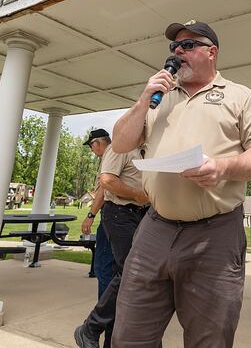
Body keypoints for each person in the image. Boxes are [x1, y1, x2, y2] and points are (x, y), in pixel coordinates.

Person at [109, 19, 251, 348]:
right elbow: (120, 143)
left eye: (187, 45)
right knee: (129, 335)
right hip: (154, 228)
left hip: (214, 234)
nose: (177, 52)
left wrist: (223, 168)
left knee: (208, 338)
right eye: (173, 47)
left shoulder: (240, 96)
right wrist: (144, 99)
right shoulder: (159, 97)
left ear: (211, 52)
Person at [74, 136, 149, 348]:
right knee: (127, 271)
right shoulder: (121, 147)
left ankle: (110, 337)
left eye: (91, 145)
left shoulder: (147, 150)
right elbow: (106, 184)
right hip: (119, 214)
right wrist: (91, 215)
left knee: (129, 273)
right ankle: (90, 328)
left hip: (140, 215)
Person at [80, 128, 115, 297]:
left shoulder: (110, 156)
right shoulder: (115, 154)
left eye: (91, 146)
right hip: (116, 216)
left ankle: (104, 315)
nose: (91, 150)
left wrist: (90, 216)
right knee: (111, 267)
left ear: (98, 143)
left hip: (111, 216)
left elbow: (103, 189)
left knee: (103, 267)